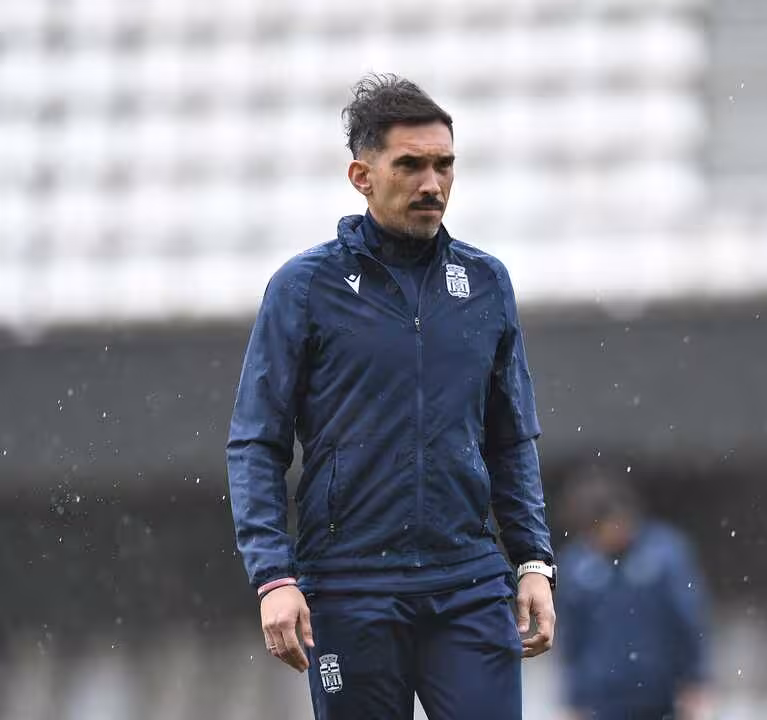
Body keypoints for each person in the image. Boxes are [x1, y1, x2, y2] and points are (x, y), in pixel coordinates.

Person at [225, 73, 556, 720]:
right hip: (349, 586)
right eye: (410, 165)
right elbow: (255, 441)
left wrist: (534, 560)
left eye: (444, 165)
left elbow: (510, 436)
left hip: (466, 581)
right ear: (362, 176)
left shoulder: (486, 284)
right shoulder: (304, 288)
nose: (432, 183)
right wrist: (273, 575)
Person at [556, 469, 711, 720]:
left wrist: (695, 681)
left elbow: (688, 620)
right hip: (603, 699)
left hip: (660, 693)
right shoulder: (577, 566)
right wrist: (574, 699)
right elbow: (572, 637)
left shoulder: (666, 556)